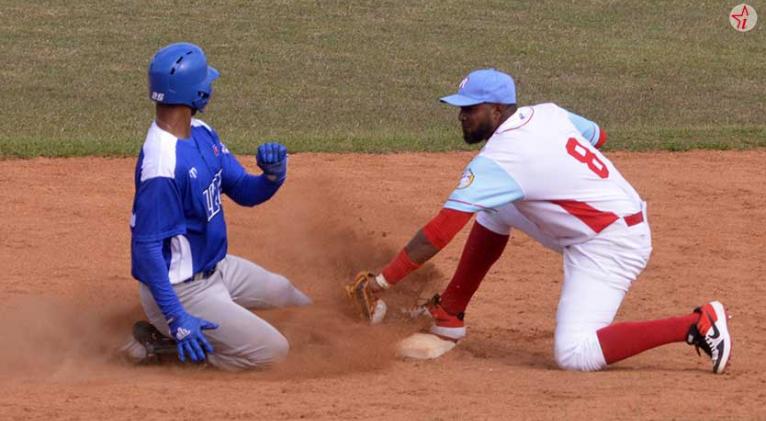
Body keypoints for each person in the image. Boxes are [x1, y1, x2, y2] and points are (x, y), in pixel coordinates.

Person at [360, 68, 732, 373]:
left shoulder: (502, 158)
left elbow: (440, 232)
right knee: (496, 206)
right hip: (605, 218)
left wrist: (382, 280)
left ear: (497, 109)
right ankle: (450, 314)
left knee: (575, 354)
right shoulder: (547, 113)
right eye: (460, 107)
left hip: (609, 244)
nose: (461, 115)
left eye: (470, 109)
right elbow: (597, 135)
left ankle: (696, 324)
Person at [122, 42, 311, 371]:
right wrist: (177, 317)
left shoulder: (201, 134)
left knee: (289, 295)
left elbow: (243, 190)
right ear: (195, 94)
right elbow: (146, 250)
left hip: (218, 268)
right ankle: (162, 346)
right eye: (205, 82)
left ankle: (207, 322)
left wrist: (272, 176)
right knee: (274, 351)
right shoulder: (163, 167)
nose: (210, 87)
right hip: (183, 292)